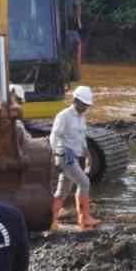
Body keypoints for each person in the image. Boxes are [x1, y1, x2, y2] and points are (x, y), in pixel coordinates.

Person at [48, 85, 101, 230]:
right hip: (66, 157)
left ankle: (50, 220)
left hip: (75, 157)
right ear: (76, 100)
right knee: (84, 182)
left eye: (87, 105)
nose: (86, 107)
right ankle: (84, 218)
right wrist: (61, 151)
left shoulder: (81, 118)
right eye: (84, 104)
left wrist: (87, 153)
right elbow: (54, 136)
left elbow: (81, 137)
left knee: (63, 190)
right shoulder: (64, 116)